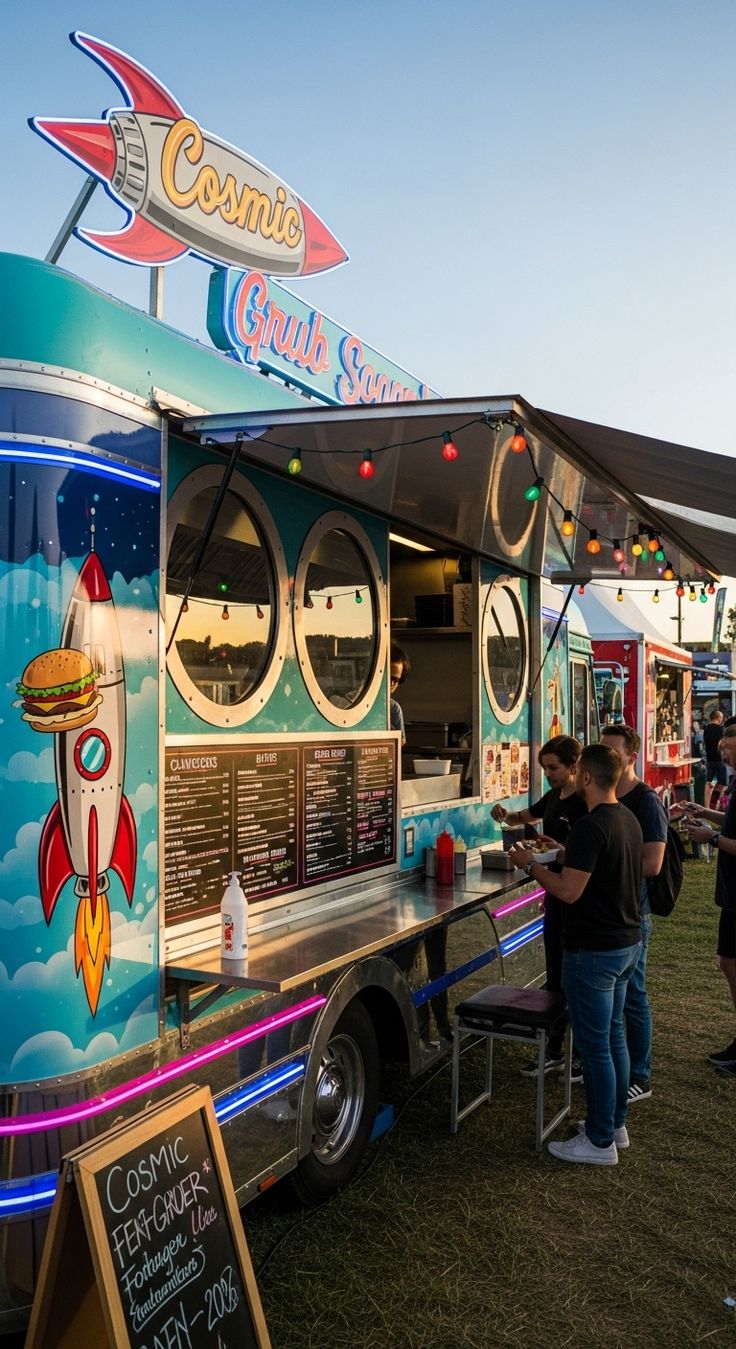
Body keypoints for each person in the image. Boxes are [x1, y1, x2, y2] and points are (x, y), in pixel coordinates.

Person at [510, 744, 643, 1166]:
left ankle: (600, 1141)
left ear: (585, 776)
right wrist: (561, 851)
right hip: (625, 944)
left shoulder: (589, 825)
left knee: (596, 1047)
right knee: (614, 1038)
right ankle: (614, 1125)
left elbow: (568, 890)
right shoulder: (626, 818)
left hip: (593, 951)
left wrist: (529, 864)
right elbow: (596, 864)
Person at [491, 735, 586, 1077]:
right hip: (553, 893)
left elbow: (583, 855)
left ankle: (576, 1052)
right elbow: (522, 817)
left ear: (575, 767)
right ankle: (555, 1046)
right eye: (545, 768)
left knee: (574, 978)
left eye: (554, 768)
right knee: (555, 971)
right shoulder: (553, 797)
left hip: (574, 896)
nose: (548, 774)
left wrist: (558, 851)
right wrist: (503, 814)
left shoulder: (585, 804)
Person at [599, 724, 667, 1105]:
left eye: (615, 751)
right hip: (606, 912)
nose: (608, 756)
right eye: (603, 749)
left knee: (633, 996)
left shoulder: (646, 800)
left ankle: (641, 1075)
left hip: (633, 912)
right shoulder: (602, 795)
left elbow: (653, 864)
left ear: (632, 757)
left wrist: (600, 869)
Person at [678, 724, 736, 1074]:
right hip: (731, 895)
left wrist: (711, 838)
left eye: (727, 747)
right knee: (726, 962)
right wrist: (706, 813)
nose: (721, 753)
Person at [390, 643, 410, 746]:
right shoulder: (354, 701)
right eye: (388, 677)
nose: (391, 684)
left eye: (396, 680)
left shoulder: (393, 708)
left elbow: (400, 744)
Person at [703, 709, 727, 786]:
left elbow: (705, 743)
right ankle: (721, 798)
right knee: (722, 783)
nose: (722, 720)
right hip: (720, 759)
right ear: (718, 717)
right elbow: (724, 744)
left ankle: (707, 798)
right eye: (721, 718)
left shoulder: (706, 729)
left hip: (709, 759)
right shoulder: (721, 729)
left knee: (709, 782)